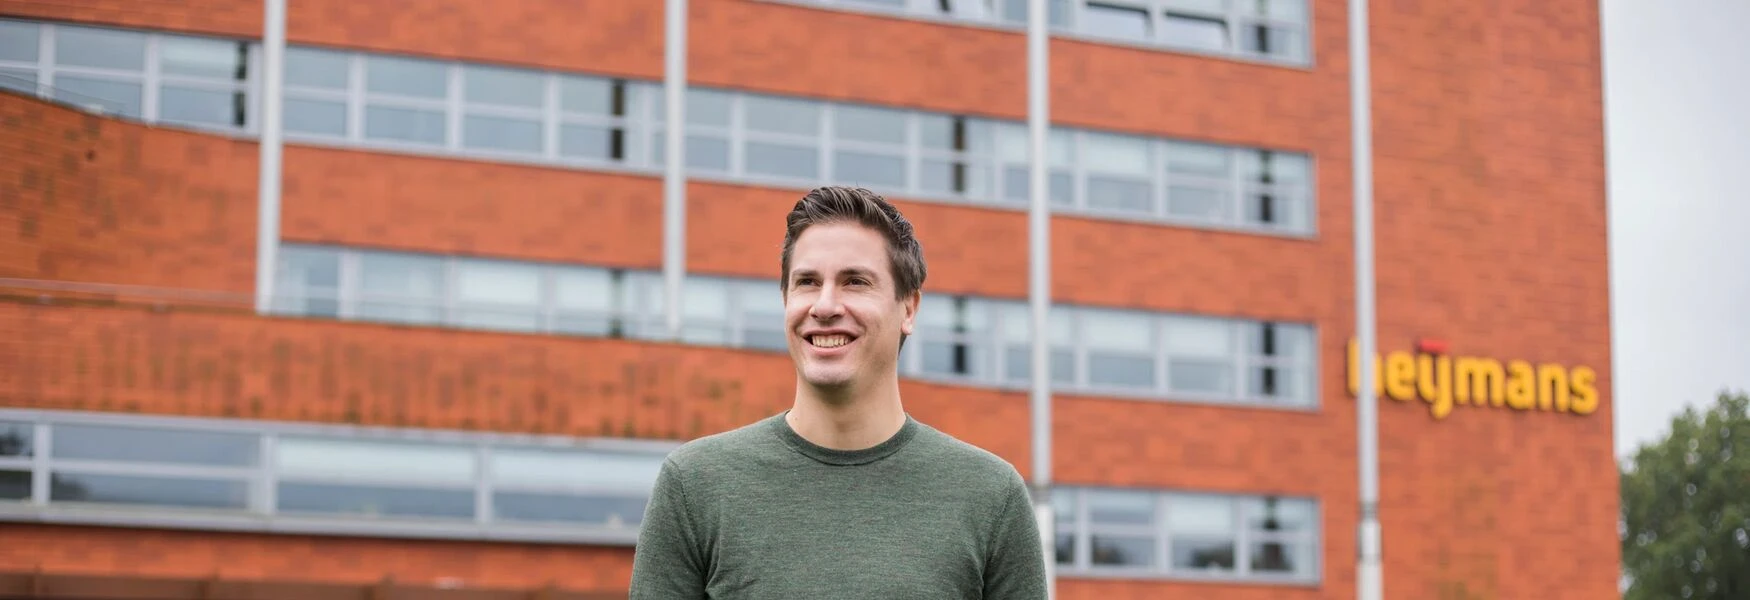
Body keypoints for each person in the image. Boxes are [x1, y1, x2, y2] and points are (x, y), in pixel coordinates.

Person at [628, 186, 1048, 599]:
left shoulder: (991, 495)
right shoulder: (694, 485)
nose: (825, 306)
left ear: (909, 308)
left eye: (855, 282)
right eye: (807, 282)